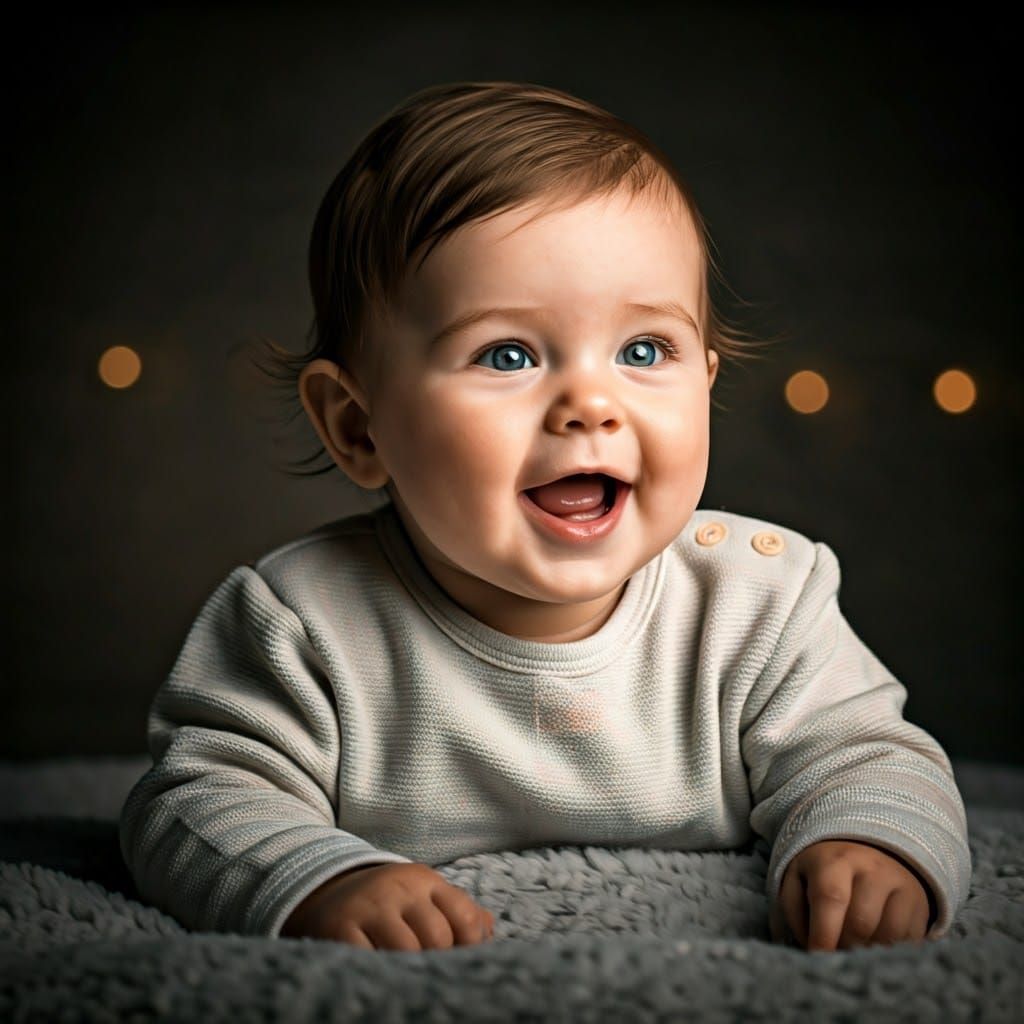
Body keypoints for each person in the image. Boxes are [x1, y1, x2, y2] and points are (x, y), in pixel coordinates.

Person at [118, 80, 971, 954]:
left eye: (645, 350)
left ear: (706, 384)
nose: (590, 405)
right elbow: (194, 802)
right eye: (508, 354)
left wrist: (866, 841)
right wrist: (315, 877)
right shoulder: (305, 622)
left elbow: (870, 756)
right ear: (357, 424)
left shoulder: (758, 599)